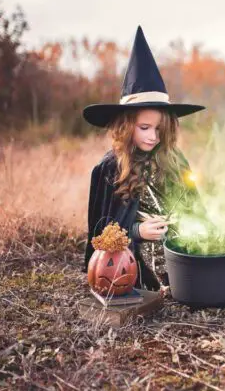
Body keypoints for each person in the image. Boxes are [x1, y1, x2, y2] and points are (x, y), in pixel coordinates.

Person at [82, 26, 205, 292]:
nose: (152, 137)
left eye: (159, 129)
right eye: (144, 128)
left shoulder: (174, 158)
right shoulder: (110, 168)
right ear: (127, 126)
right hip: (135, 265)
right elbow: (102, 230)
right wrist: (138, 231)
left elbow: (194, 205)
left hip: (181, 254)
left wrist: (188, 223)